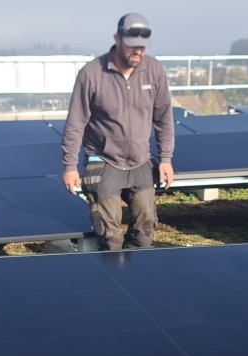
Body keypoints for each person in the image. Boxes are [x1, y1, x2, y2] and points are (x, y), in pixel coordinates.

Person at [60, 12, 175, 250]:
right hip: (104, 162)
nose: (138, 52)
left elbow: (164, 118)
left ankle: (133, 282)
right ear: (117, 38)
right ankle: (110, 282)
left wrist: (165, 159)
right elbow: (75, 122)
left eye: (142, 48)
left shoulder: (154, 71)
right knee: (111, 238)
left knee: (145, 233)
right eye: (132, 46)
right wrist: (70, 166)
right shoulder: (92, 74)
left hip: (140, 161)